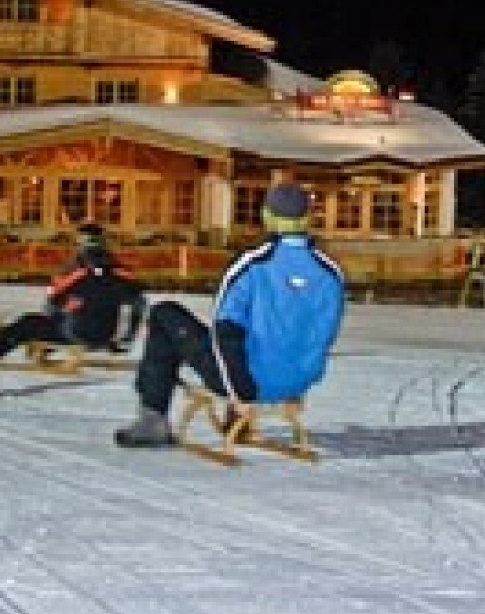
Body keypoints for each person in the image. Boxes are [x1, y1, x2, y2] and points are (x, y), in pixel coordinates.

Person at [114, 182, 346, 448]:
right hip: (298, 380)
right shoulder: (329, 272)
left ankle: (152, 418)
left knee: (165, 315)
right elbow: (324, 333)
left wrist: (239, 393)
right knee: (267, 333)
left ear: (267, 216)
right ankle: (239, 413)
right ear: (307, 217)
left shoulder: (252, 264)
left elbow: (226, 329)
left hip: (247, 382)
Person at [0, 224, 147, 360]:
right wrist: (125, 337)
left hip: (78, 333)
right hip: (106, 335)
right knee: (67, 312)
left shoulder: (77, 272)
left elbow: (53, 299)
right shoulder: (122, 274)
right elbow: (139, 302)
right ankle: (50, 342)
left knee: (30, 322)